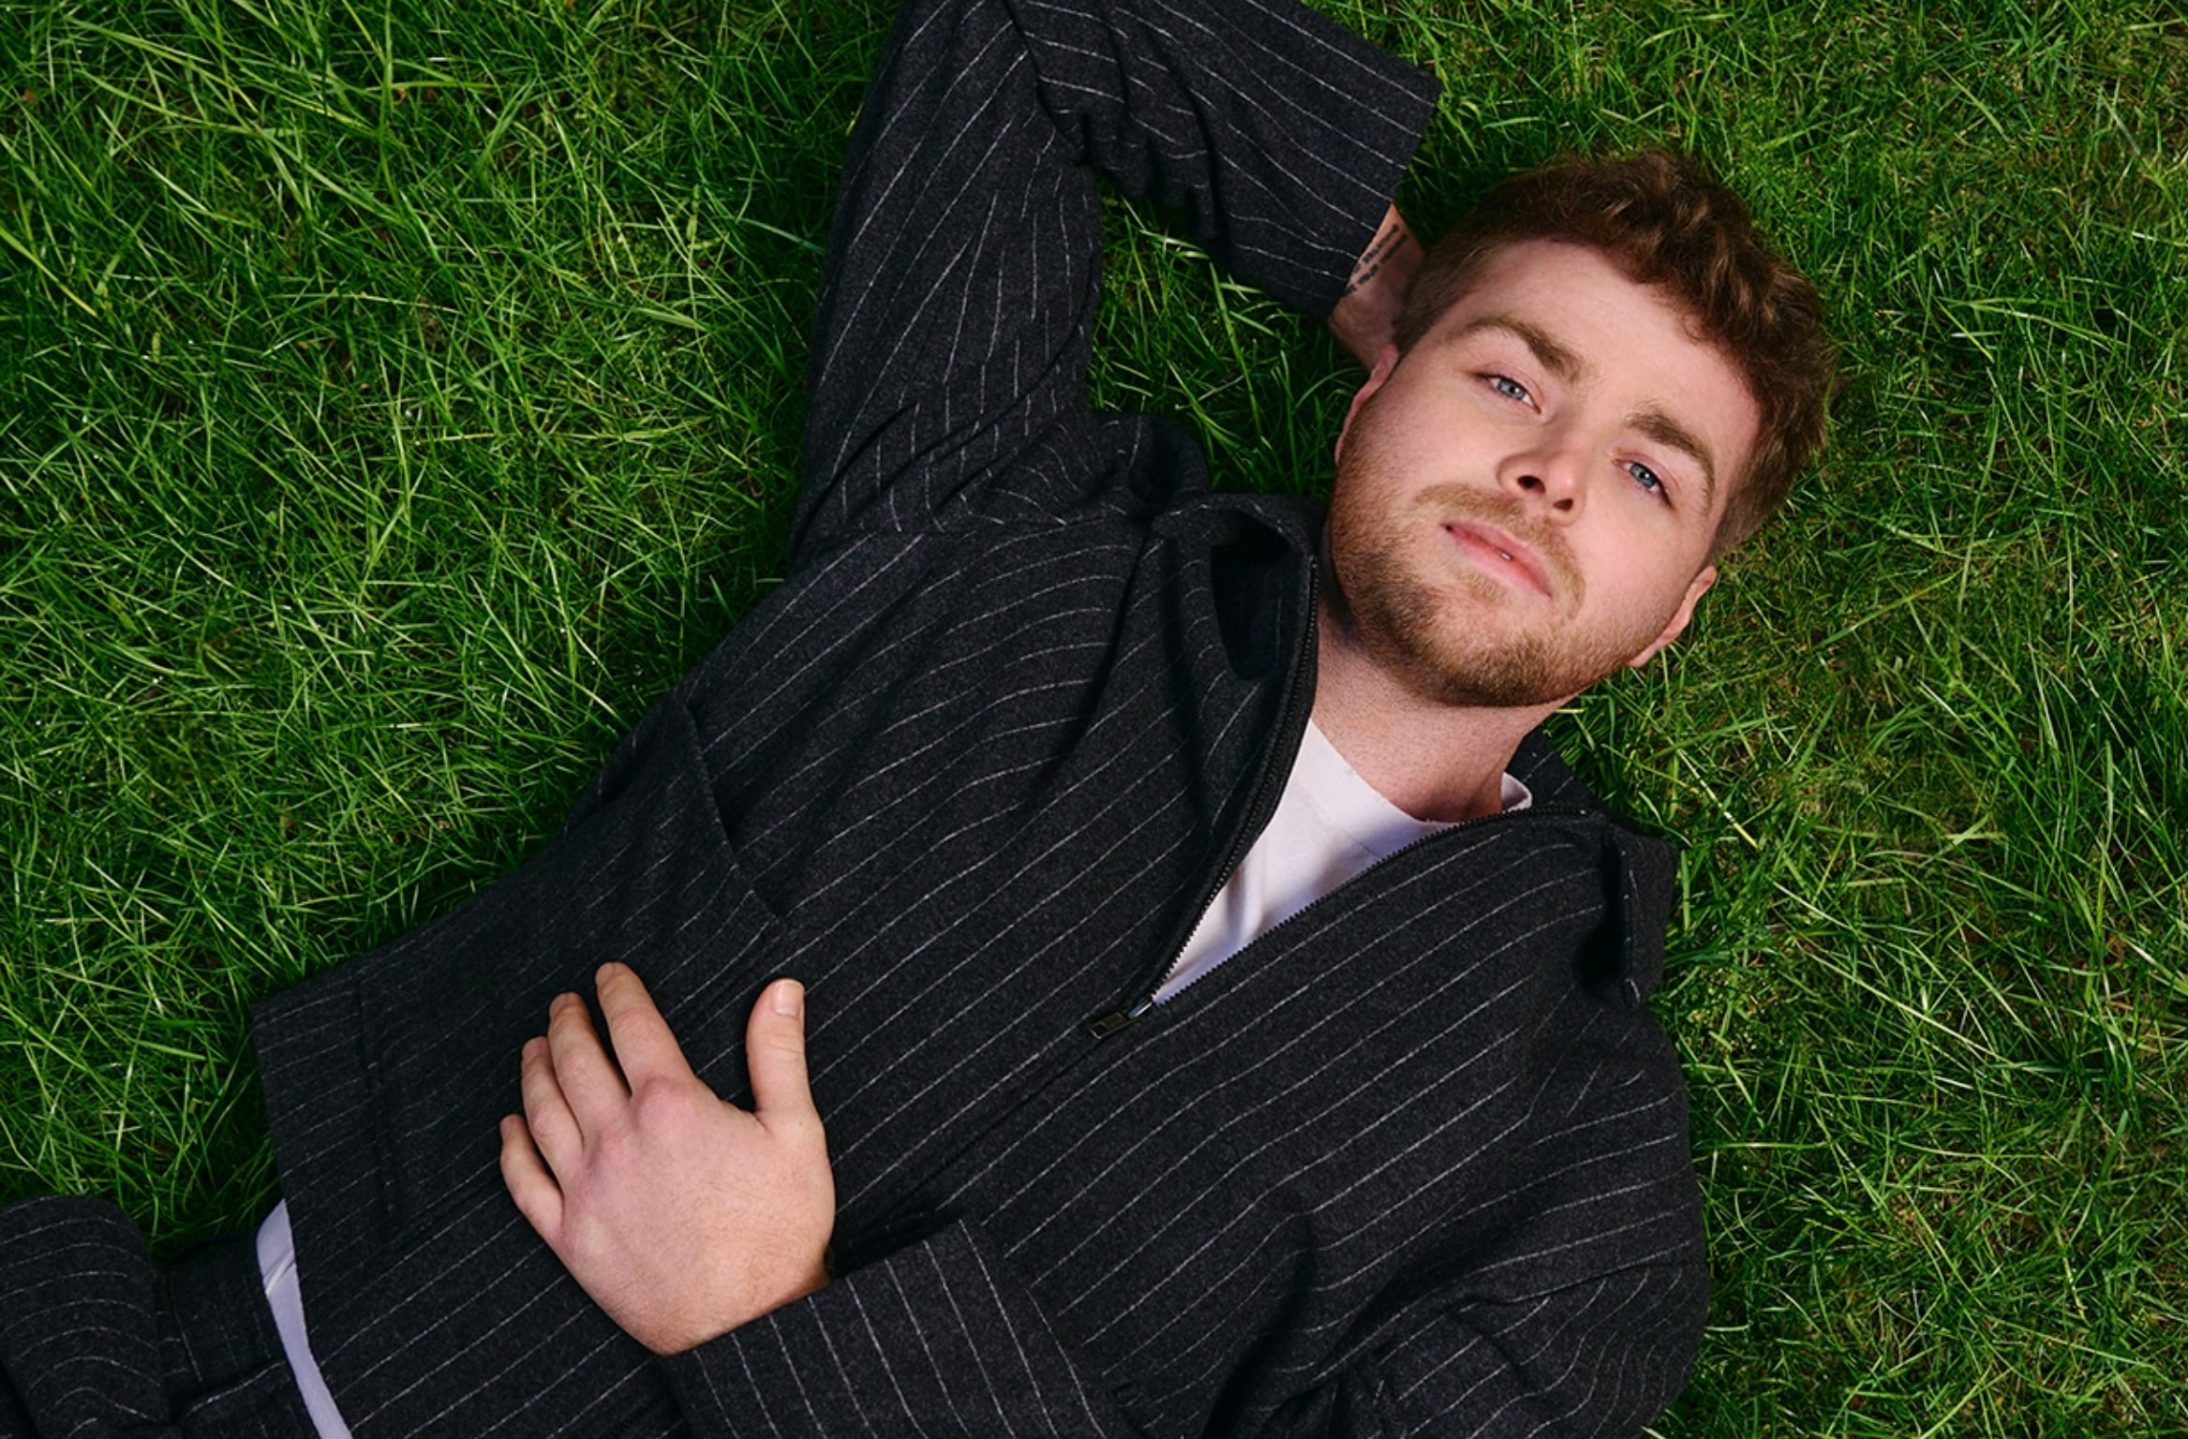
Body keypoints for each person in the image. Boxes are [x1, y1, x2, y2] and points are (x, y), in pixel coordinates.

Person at [0, 0, 1832, 1432]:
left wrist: (781, 1331)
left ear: (1673, 623)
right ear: (1371, 405)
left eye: (1652, 478)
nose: (1549, 473)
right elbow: (1035, 29)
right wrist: (1378, 274)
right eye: (1510, 376)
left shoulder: (1579, 1189)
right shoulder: (1001, 526)